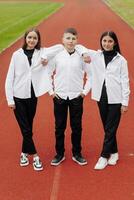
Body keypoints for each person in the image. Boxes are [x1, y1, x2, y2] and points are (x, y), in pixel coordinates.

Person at [5, 27, 63, 171]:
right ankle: (35, 156)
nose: (31, 40)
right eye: (29, 37)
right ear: (25, 39)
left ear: (38, 40)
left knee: (28, 127)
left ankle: (24, 153)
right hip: (18, 96)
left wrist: (45, 57)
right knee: (25, 128)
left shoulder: (41, 52)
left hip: (32, 96)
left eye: (34, 38)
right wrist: (10, 99)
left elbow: (60, 47)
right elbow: (9, 78)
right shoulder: (16, 55)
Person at [81, 31, 130, 170]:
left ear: (114, 43)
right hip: (101, 96)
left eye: (110, 41)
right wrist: (84, 54)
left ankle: (103, 156)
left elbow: (125, 81)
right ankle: (114, 153)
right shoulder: (96, 56)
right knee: (107, 127)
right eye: (104, 41)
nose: (107, 44)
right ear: (101, 42)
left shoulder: (121, 60)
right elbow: (79, 47)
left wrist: (125, 102)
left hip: (116, 98)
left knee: (110, 128)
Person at [48, 28, 90, 166]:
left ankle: (77, 153)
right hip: (59, 96)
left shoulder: (81, 56)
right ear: (63, 40)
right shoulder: (57, 55)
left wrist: (84, 92)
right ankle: (59, 154)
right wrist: (51, 92)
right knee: (59, 127)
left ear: (76, 41)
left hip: (76, 97)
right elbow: (48, 73)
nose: (70, 41)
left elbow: (91, 75)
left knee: (76, 127)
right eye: (68, 38)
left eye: (73, 38)